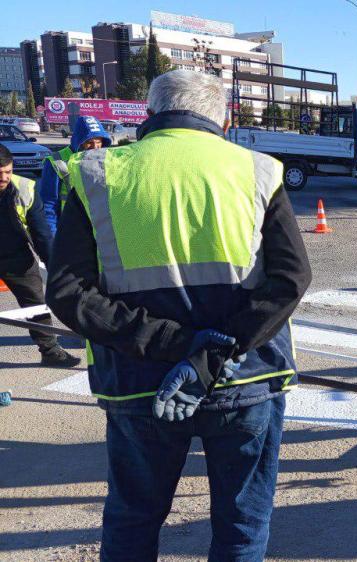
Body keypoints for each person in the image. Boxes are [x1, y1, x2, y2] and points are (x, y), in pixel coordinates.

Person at [45, 70, 312, 560]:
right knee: (241, 525)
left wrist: (176, 347)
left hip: (137, 381)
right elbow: (290, 279)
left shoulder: (98, 173)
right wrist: (208, 355)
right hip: (245, 382)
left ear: (150, 114)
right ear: (226, 119)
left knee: (133, 520)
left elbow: (67, 292)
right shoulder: (258, 170)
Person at [0, 146, 80, 367]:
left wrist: (56, 268)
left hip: (16, 257)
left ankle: (50, 351)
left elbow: (41, 233)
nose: (4, 178)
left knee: (35, 305)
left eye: (8, 172)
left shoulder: (25, 189)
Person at [37, 115, 112, 235]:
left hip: (98, 229)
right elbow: (48, 204)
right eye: (89, 142)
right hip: (70, 230)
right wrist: (52, 237)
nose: (95, 147)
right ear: (79, 140)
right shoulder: (56, 162)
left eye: (98, 142)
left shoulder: (105, 159)